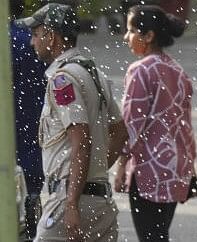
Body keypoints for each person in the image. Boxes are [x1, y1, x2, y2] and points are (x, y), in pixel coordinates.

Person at [16, 3, 123, 241]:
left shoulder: (63, 80)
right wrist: (95, 172)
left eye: (36, 35)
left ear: (51, 36)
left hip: (69, 200)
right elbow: (120, 131)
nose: (33, 42)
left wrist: (72, 202)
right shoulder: (94, 73)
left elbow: (81, 139)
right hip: (100, 203)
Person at [114, 5, 197, 242]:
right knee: (159, 234)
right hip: (175, 168)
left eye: (131, 30)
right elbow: (185, 126)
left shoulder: (140, 70)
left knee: (150, 237)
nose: (126, 37)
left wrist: (121, 165)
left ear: (148, 36)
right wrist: (190, 167)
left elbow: (132, 124)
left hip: (148, 169)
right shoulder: (178, 70)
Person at [10, 0, 47, 240]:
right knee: (30, 204)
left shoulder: (11, 39)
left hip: (9, 140)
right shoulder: (33, 38)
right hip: (35, 133)